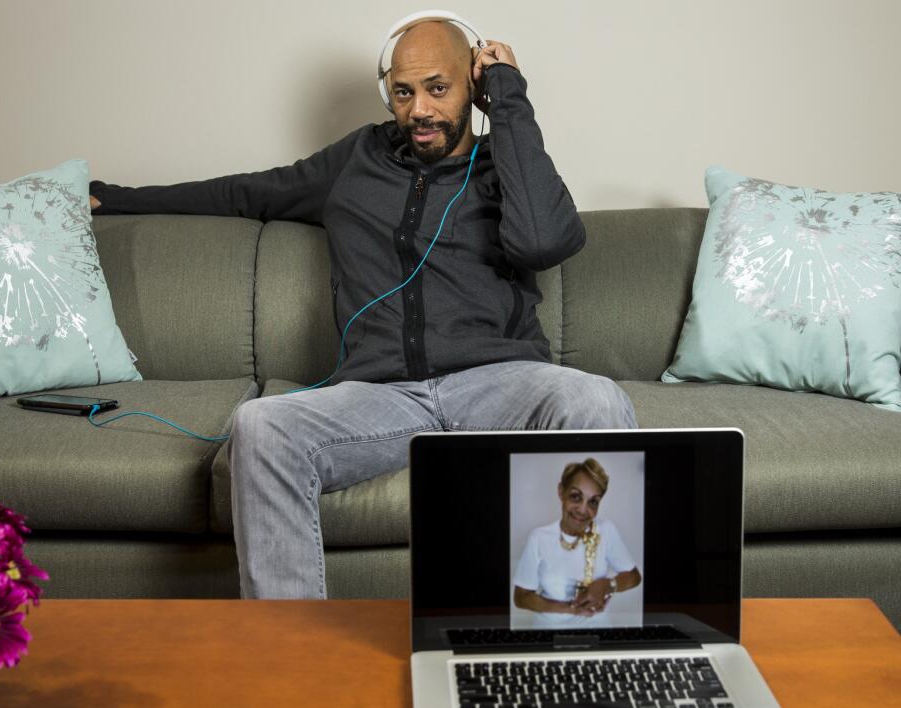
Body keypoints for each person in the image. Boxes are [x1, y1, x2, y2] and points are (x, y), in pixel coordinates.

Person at [88, 15, 638, 599]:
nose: (420, 108)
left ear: (471, 88)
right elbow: (248, 190)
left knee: (594, 397)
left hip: (498, 385)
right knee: (260, 424)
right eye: (404, 92)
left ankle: (592, 639)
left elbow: (544, 241)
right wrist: (119, 199)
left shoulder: (506, 163)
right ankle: (294, 652)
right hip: (381, 399)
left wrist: (508, 96)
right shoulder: (358, 158)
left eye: (438, 87)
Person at [513, 458, 642, 628]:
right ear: (561, 491)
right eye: (575, 496)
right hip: (550, 633)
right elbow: (521, 597)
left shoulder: (606, 530)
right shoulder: (539, 538)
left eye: (593, 502)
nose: (583, 510)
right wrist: (569, 609)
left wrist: (608, 585)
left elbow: (634, 577)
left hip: (597, 632)